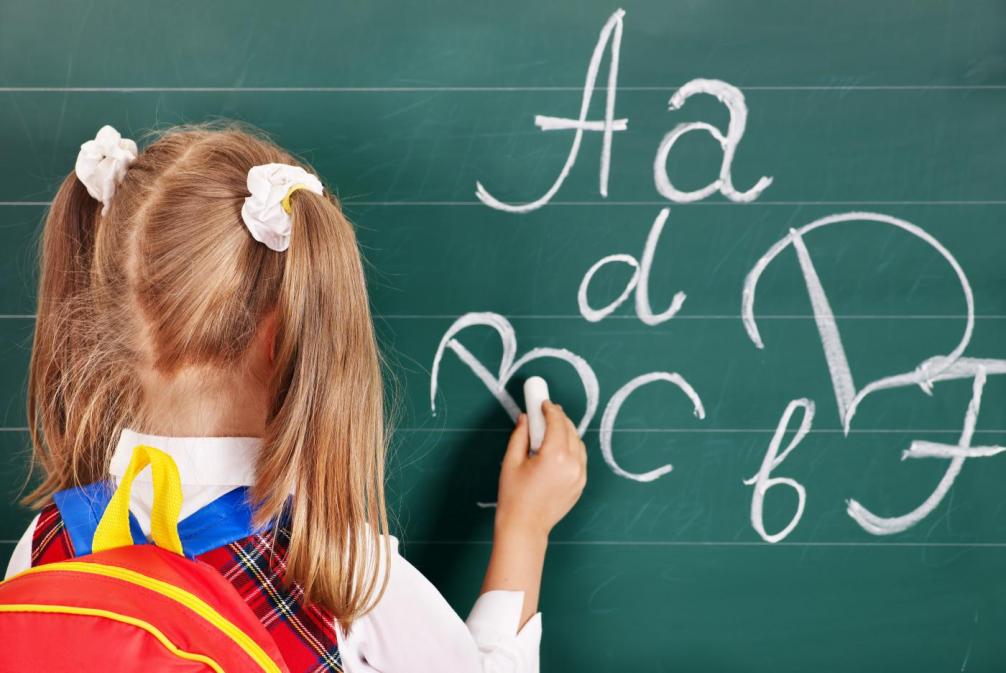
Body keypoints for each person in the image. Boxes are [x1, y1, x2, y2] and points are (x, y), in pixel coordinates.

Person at [3, 123, 588, 672]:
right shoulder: (340, 577)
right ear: (285, 330)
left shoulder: (45, 546)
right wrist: (524, 528)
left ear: (104, 314)